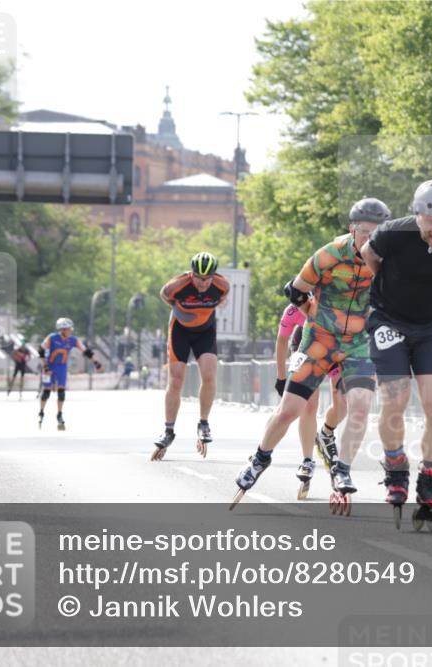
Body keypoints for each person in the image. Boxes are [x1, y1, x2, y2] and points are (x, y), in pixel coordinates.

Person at [233, 198, 392, 507]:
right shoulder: (330, 254)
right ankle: (260, 458)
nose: (369, 240)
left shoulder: (388, 259)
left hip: (358, 342)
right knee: (289, 410)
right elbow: (293, 290)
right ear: (352, 229)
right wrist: (314, 312)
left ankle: (342, 469)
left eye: (376, 234)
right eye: (364, 233)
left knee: (358, 407)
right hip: (319, 339)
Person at [360, 180, 432, 519]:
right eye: (431, 222)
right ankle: (396, 469)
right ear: (417, 216)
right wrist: (392, 288)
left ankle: (431, 481)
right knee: (395, 401)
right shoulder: (392, 234)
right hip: (389, 322)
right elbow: (369, 256)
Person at [152, 252, 230, 460]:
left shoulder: (222, 285)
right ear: (191, 274)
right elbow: (164, 295)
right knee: (176, 380)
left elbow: (222, 297)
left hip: (205, 331)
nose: (203, 283)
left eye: (207, 279)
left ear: (214, 276)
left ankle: (203, 423)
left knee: (209, 374)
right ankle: (168, 430)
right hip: (180, 331)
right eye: (198, 278)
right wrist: (181, 311)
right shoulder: (177, 285)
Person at [275, 304, 348, 498]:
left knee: (343, 404)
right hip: (305, 345)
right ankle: (307, 460)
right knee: (309, 404)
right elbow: (282, 341)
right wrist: (281, 378)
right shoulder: (292, 310)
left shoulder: (336, 302)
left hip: (334, 347)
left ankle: (325, 433)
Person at [38, 318, 103, 430]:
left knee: (61, 392)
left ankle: (59, 414)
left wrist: (96, 363)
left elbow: (86, 351)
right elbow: (40, 350)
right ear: (62, 329)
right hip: (49, 366)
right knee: (46, 393)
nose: (71, 331)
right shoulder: (52, 337)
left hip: (62, 368)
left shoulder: (73, 340)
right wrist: (45, 366)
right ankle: (41, 412)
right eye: (69, 329)